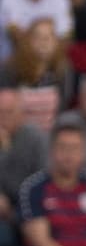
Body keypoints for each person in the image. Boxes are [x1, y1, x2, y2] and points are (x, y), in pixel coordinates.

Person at [0, 89, 48, 218]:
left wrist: (5, 149)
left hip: (29, 206)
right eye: (0, 112)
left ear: (22, 115)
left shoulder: (35, 137)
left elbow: (42, 178)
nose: (3, 117)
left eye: (9, 112)